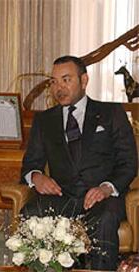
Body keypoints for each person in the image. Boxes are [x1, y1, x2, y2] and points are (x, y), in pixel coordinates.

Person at [20, 56, 138, 270]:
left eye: (66, 80)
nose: (59, 88)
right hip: (61, 196)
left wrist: (106, 188)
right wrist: (37, 177)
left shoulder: (112, 113)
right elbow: (30, 163)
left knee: (105, 218)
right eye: (54, 82)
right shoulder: (44, 120)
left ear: (84, 81)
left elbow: (128, 162)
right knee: (29, 212)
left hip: (102, 198)